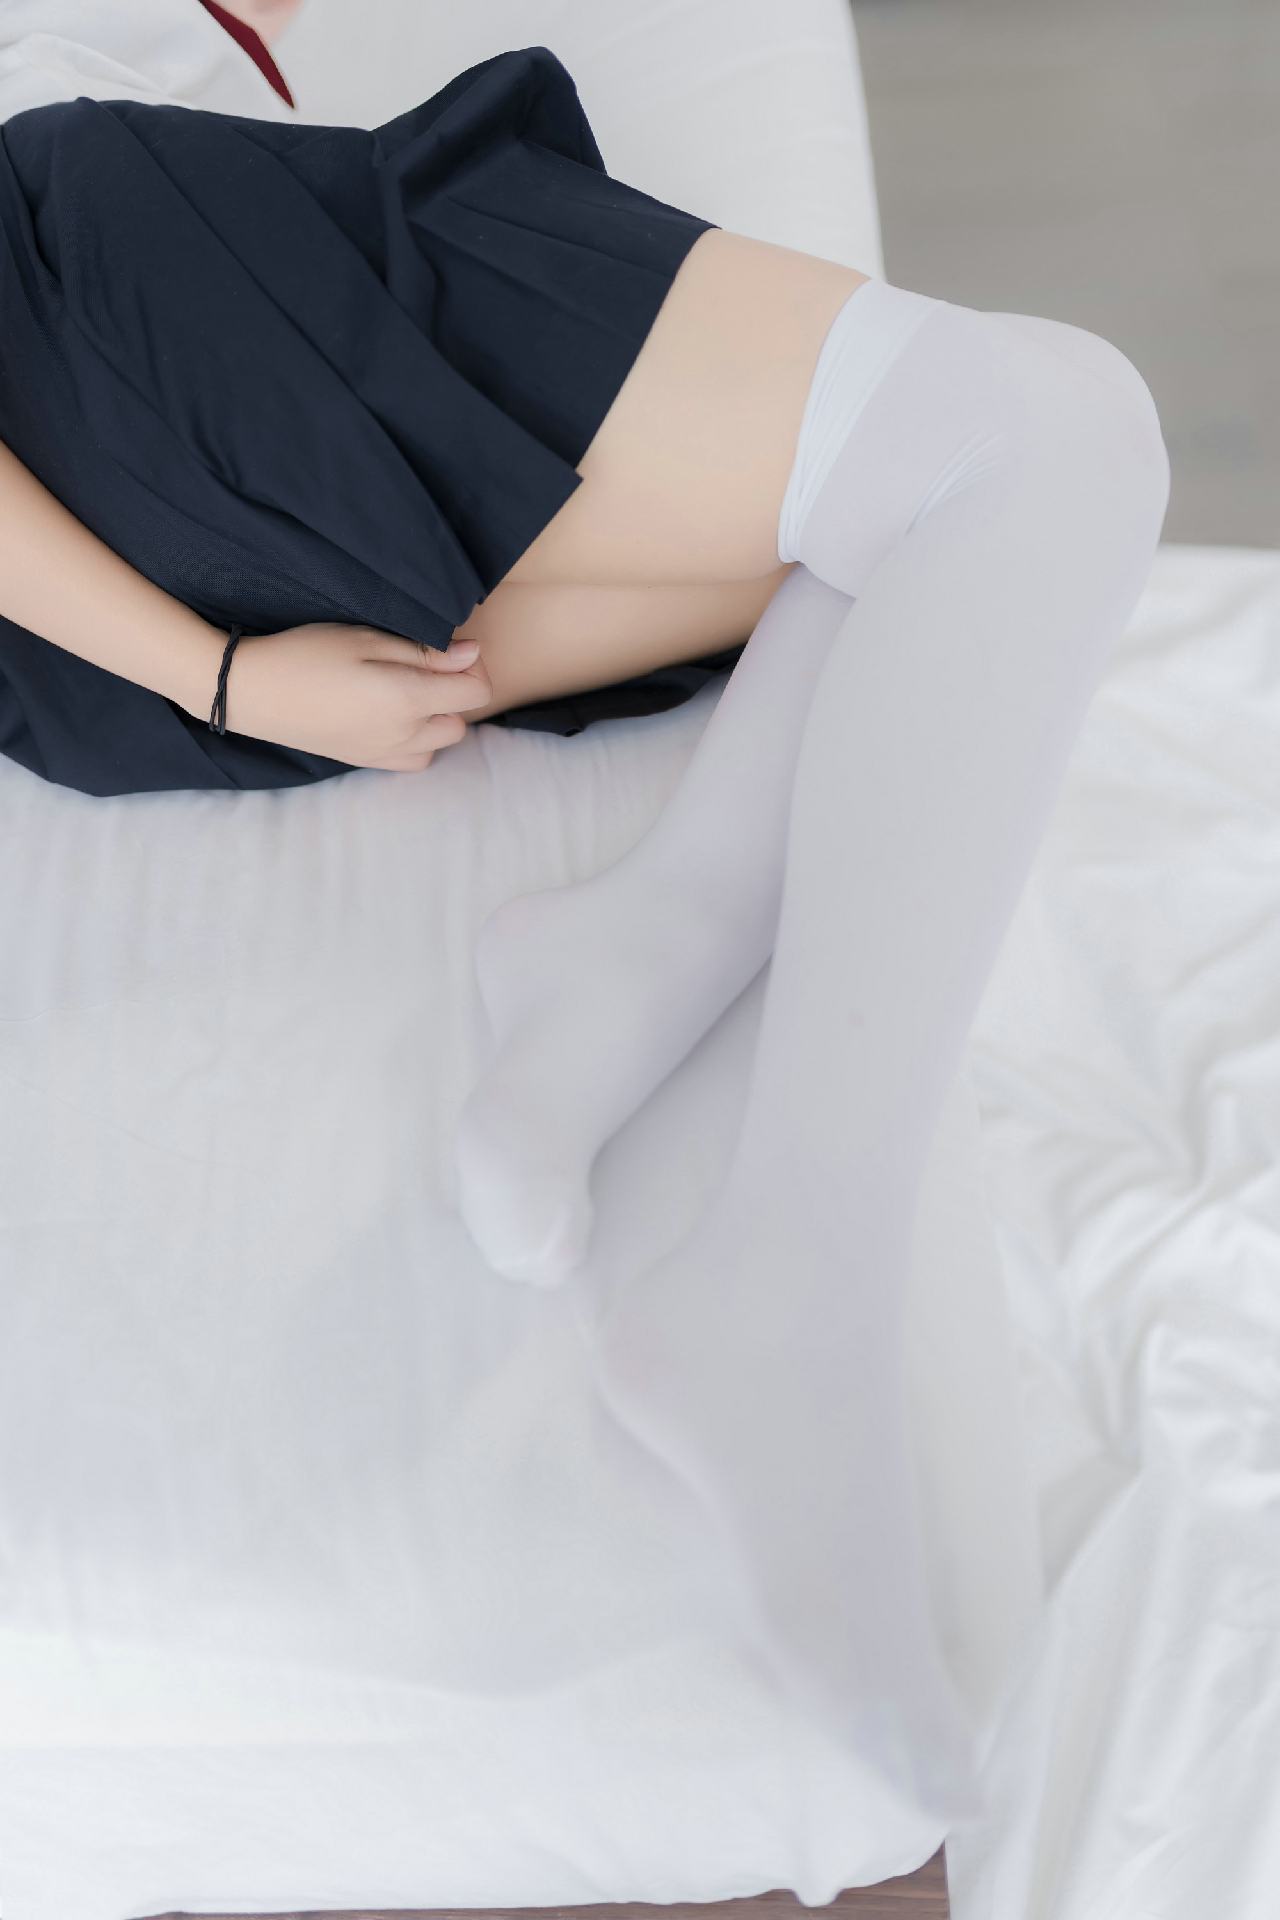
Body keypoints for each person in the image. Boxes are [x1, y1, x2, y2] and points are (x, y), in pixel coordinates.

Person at [0, 35, 1171, 1820]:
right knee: (1042, 430)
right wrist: (224, 676)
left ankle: (644, 959)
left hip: (120, 494)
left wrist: (213, 679)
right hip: (130, 389)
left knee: (999, 454)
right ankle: (790, 1261)